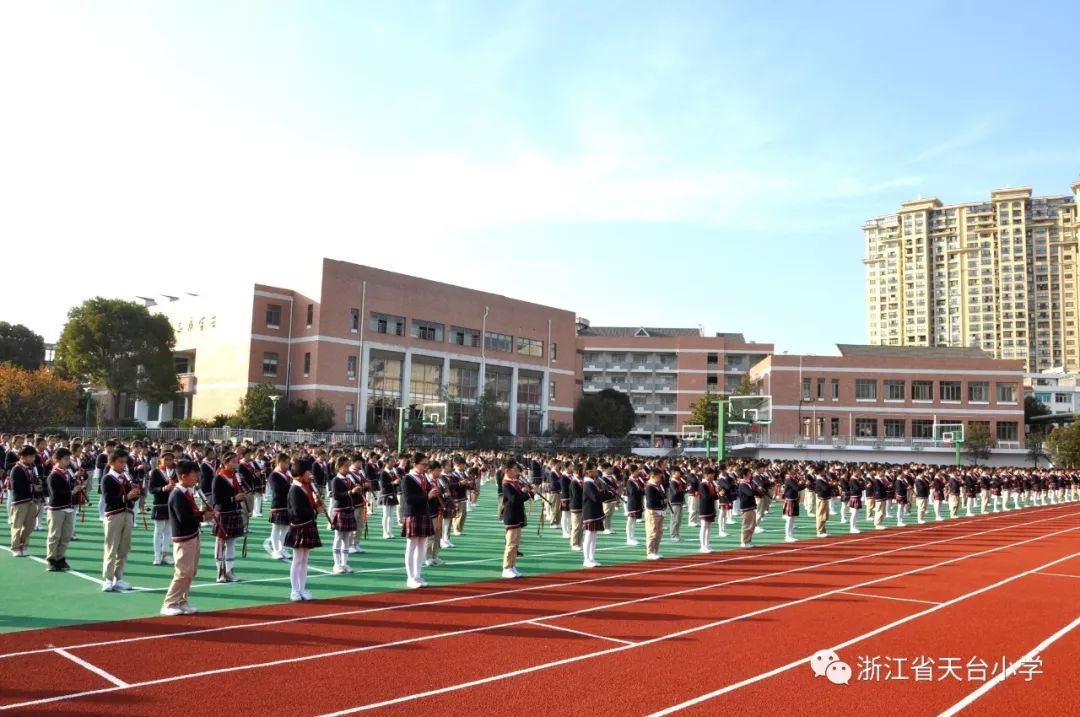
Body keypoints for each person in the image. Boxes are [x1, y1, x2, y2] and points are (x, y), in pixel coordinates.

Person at [161, 460, 215, 616]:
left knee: (191, 571)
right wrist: (203, 517)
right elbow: (184, 518)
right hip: (183, 537)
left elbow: (192, 514)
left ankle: (182, 600)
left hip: (192, 534)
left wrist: (203, 513)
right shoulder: (177, 495)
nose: (196, 477)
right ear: (183, 476)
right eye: (193, 474)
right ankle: (169, 603)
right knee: (183, 572)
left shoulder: (187, 492)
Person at [101, 449, 139, 592]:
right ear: (111, 462)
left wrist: (135, 494)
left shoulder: (126, 477)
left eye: (125, 462)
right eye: (120, 462)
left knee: (124, 548)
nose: (123, 465)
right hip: (114, 515)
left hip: (127, 514)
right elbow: (109, 499)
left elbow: (131, 498)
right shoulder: (108, 478)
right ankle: (108, 579)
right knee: (112, 547)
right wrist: (126, 497)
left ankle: (119, 577)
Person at [285, 457, 323, 601]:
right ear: (301, 473)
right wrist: (315, 511)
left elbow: (310, 505)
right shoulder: (295, 489)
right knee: (297, 559)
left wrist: (317, 506)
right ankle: (294, 590)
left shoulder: (307, 486)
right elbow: (297, 512)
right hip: (299, 527)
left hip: (308, 524)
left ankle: (302, 588)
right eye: (308, 472)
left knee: (305, 559)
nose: (310, 475)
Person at [401, 453, 438, 589]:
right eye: (424, 464)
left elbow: (428, 496)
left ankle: (418, 575)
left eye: (427, 464)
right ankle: (410, 577)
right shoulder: (407, 479)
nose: (426, 467)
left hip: (424, 513)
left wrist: (434, 494)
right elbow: (408, 498)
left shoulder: (424, 478)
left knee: (422, 545)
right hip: (412, 514)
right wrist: (427, 496)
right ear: (415, 464)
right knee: (411, 545)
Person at [211, 452, 246, 583]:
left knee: (232, 544)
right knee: (220, 543)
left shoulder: (235, 477)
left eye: (236, 462)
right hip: (223, 514)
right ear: (225, 463)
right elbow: (216, 500)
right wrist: (233, 498)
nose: (235, 464)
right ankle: (220, 571)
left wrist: (242, 497)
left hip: (234, 512)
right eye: (232, 462)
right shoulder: (218, 478)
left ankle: (229, 571)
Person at [45, 447, 80, 571]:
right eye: (65, 459)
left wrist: (78, 484)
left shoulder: (68, 473)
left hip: (68, 508)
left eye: (68, 459)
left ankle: (60, 558)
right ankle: (51, 559)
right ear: (57, 460)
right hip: (57, 508)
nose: (68, 462)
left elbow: (71, 485)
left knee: (66, 535)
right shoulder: (53, 475)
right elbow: (56, 493)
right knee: (54, 535)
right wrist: (72, 492)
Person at [330, 456, 360, 574]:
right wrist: (350, 492)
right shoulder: (336, 480)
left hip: (349, 509)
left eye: (348, 466)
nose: (348, 468)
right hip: (340, 510)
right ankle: (336, 564)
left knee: (347, 538)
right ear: (339, 467)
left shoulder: (349, 479)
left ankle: (344, 563)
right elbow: (336, 496)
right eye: (345, 466)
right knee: (338, 537)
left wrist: (357, 490)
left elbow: (352, 494)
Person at [500, 461, 530, 578]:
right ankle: (506, 567)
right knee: (511, 543)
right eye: (515, 469)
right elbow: (513, 499)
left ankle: (512, 566)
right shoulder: (506, 484)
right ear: (508, 470)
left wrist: (528, 493)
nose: (517, 471)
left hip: (517, 515)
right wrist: (524, 493)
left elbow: (520, 498)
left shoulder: (515, 482)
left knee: (516, 543)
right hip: (510, 515)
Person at [8, 446, 39, 557]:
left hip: (32, 500)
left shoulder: (32, 468)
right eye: (30, 456)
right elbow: (16, 487)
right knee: (17, 525)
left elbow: (36, 481)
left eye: (33, 456)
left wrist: (38, 488)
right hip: (20, 501)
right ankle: (15, 547)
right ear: (22, 457)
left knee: (30, 526)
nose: (32, 459)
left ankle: (24, 545)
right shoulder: (16, 469)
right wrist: (32, 487)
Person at [148, 452, 177, 566]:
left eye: (170, 460)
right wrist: (164, 488)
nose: (168, 462)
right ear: (160, 460)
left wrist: (175, 487)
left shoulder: (174, 472)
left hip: (171, 504)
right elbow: (151, 489)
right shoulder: (155, 472)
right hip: (159, 504)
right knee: (158, 530)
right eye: (166, 460)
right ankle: (157, 555)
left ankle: (166, 554)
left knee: (168, 531)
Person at [267, 452, 292, 560]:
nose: (288, 465)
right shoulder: (274, 475)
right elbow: (277, 490)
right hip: (278, 504)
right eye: (286, 463)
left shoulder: (288, 474)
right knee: (276, 528)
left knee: (285, 528)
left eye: (288, 463)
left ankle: (282, 548)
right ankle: (276, 550)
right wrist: (291, 487)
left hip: (288, 504)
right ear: (279, 462)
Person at [581, 462, 604, 568]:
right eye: (594, 469)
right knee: (589, 535)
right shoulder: (588, 484)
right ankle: (586, 559)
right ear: (588, 471)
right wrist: (606, 494)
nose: (596, 471)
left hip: (595, 512)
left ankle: (592, 557)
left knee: (594, 536)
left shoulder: (592, 482)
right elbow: (595, 498)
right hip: (590, 512)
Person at [643, 469, 666, 560]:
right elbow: (650, 502)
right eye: (659, 476)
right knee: (652, 532)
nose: (660, 478)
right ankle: (650, 552)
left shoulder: (659, 486)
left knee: (659, 532)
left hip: (660, 511)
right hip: (653, 512)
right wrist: (662, 501)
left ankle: (656, 550)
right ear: (653, 476)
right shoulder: (649, 487)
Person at [737, 469, 762, 548]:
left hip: (751, 505)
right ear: (744, 475)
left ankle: (749, 540)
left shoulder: (748, 483)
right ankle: (744, 541)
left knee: (752, 525)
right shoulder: (743, 484)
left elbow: (753, 492)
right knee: (747, 525)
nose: (750, 475)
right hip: (746, 506)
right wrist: (757, 490)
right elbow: (750, 493)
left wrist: (757, 491)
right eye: (749, 473)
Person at [697, 467, 718, 554]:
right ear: (706, 475)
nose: (713, 476)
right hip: (704, 508)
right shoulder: (702, 484)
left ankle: (707, 544)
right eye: (711, 474)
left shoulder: (711, 483)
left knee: (708, 527)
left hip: (711, 507)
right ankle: (702, 546)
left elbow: (714, 496)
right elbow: (705, 496)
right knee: (704, 527)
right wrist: (714, 495)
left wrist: (718, 494)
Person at [624, 468, 645, 547]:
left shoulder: (637, 480)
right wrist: (642, 491)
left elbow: (638, 490)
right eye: (636, 471)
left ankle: (632, 537)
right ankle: (629, 538)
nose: (637, 472)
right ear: (632, 472)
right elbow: (633, 492)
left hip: (637, 502)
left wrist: (642, 490)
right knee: (630, 521)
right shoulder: (629, 481)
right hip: (632, 503)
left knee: (634, 521)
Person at [781, 469, 801, 543]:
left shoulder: (792, 479)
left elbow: (798, 487)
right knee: (789, 519)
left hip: (793, 499)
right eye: (791, 470)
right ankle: (787, 536)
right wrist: (805, 484)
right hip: (790, 499)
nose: (794, 471)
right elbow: (797, 488)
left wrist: (803, 484)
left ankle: (790, 535)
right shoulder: (788, 479)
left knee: (792, 518)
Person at [568, 463, 585, 552]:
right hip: (576, 506)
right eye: (579, 472)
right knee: (576, 526)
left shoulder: (582, 482)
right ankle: (574, 543)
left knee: (581, 526)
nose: (580, 474)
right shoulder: (574, 483)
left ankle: (580, 542)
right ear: (574, 472)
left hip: (582, 506)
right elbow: (576, 495)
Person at [667, 467, 686, 542]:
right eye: (678, 472)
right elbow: (675, 492)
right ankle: (673, 535)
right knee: (674, 519)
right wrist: (684, 490)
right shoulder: (673, 481)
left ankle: (677, 534)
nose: (679, 473)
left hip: (679, 501)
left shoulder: (679, 480)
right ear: (673, 473)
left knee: (679, 519)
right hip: (674, 502)